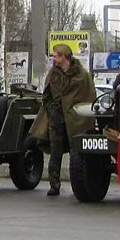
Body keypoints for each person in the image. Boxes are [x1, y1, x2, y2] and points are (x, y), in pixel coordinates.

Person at [30, 43, 95, 197]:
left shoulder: (82, 75)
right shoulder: (53, 74)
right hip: (57, 119)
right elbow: (46, 96)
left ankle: (79, 185)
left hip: (76, 120)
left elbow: (88, 95)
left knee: (76, 153)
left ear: (64, 57)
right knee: (55, 151)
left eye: (56, 56)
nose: (54, 59)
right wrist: (53, 110)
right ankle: (54, 184)